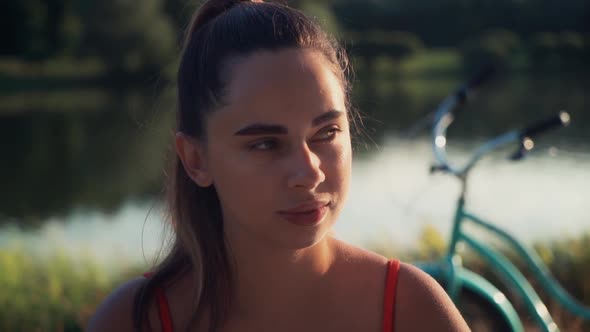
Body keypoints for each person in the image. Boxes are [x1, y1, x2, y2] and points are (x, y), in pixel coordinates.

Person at [88, 0, 470, 331]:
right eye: (266, 144)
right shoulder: (137, 321)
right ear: (195, 159)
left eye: (326, 132)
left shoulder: (410, 309)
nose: (309, 173)